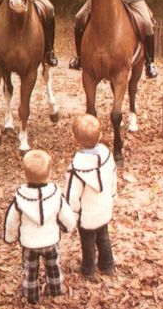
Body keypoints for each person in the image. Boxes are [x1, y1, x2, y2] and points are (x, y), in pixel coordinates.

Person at [4, 149, 76, 305]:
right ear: (49, 173)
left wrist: (10, 237)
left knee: (30, 270)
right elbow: (66, 214)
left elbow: (12, 220)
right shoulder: (55, 195)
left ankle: (31, 295)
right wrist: (69, 226)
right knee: (53, 265)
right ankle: (56, 289)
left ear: (25, 174)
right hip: (51, 240)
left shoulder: (20, 199)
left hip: (30, 243)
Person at [65, 114, 117, 281]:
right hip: (103, 206)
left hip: (87, 212)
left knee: (87, 240)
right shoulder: (107, 157)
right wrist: (112, 195)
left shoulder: (76, 168)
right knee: (103, 235)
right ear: (100, 135)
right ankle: (107, 264)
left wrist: (72, 213)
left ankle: (89, 268)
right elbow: (113, 177)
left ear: (73, 139)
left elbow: (72, 193)